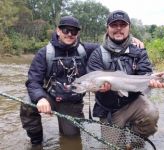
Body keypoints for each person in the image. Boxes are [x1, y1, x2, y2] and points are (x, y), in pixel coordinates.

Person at [20, 15, 144, 146]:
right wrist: (40, 98)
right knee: (28, 102)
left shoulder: (86, 49)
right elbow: (33, 81)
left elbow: (111, 46)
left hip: (72, 103)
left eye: (73, 31)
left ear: (77, 33)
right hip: (49, 97)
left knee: (71, 139)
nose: (69, 34)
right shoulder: (44, 53)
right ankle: (36, 142)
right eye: (65, 30)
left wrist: (130, 40)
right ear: (58, 31)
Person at [87, 10, 164, 138]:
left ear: (129, 28)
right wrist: (99, 90)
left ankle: (133, 141)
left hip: (133, 102)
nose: (118, 28)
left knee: (151, 114)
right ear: (107, 28)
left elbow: (145, 73)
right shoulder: (97, 54)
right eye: (114, 25)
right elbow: (92, 80)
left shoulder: (138, 51)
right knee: (111, 147)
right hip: (109, 109)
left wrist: (152, 80)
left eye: (122, 25)